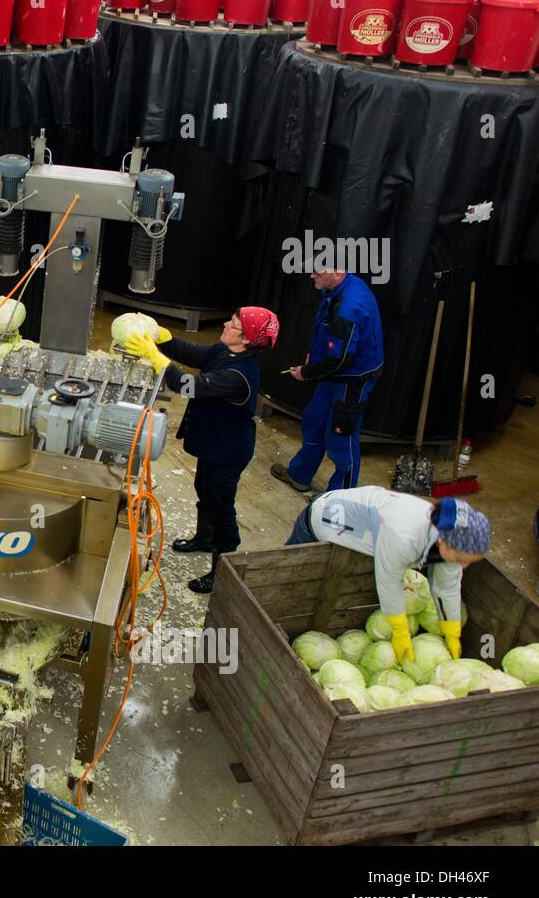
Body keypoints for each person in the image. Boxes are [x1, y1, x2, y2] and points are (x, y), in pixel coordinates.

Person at [125, 307, 281, 594]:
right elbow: (194, 354)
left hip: (228, 450)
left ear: (247, 339)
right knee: (204, 489)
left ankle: (222, 571)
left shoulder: (239, 374)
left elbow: (189, 386)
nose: (226, 324)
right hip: (214, 443)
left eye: (233, 324)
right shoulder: (226, 351)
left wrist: (156, 357)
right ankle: (204, 540)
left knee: (221, 506)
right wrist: (163, 337)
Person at [285, 488, 491, 661]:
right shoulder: (403, 535)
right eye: (461, 558)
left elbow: (447, 587)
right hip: (323, 521)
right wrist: (400, 631)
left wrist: (452, 632)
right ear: (444, 541)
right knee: (290, 575)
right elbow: (389, 582)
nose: (463, 565)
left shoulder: (448, 538)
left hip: (359, 539)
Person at [271, 266, 384, 494]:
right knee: (314, 422)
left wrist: (307, 372)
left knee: (340, 437)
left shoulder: (349, 308)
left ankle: (339, 498)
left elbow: (340, 359)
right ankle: (299, 475)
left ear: (338, 272)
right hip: (332, 373)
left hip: (351, 380)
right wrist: (315, 355)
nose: (312, 275)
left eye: (318, 271)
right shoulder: (335, 290)